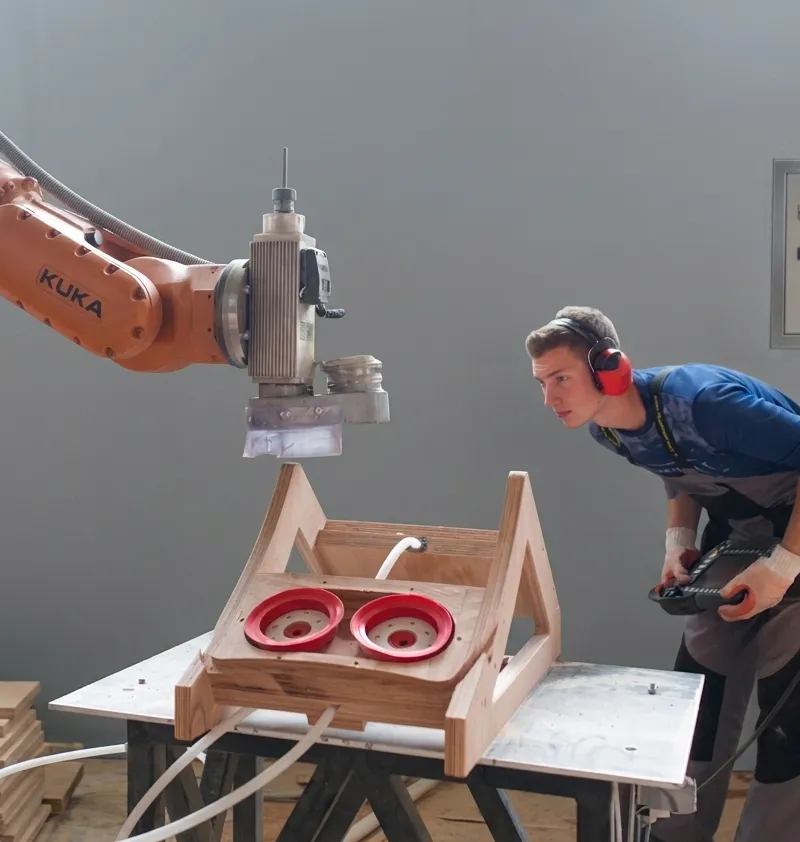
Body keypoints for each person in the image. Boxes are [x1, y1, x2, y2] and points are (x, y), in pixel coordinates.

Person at [524, 306, 800, 842]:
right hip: (739, 534)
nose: (550, 399)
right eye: (541, 383)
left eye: (560, 379)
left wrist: (784, 566)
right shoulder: (608, 430)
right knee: (699, 695)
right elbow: (676, 470)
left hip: (796, 536)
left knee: (787, 711)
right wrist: (679, 542)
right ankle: (676, 833)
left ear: (610, 369)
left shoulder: (706, 404)